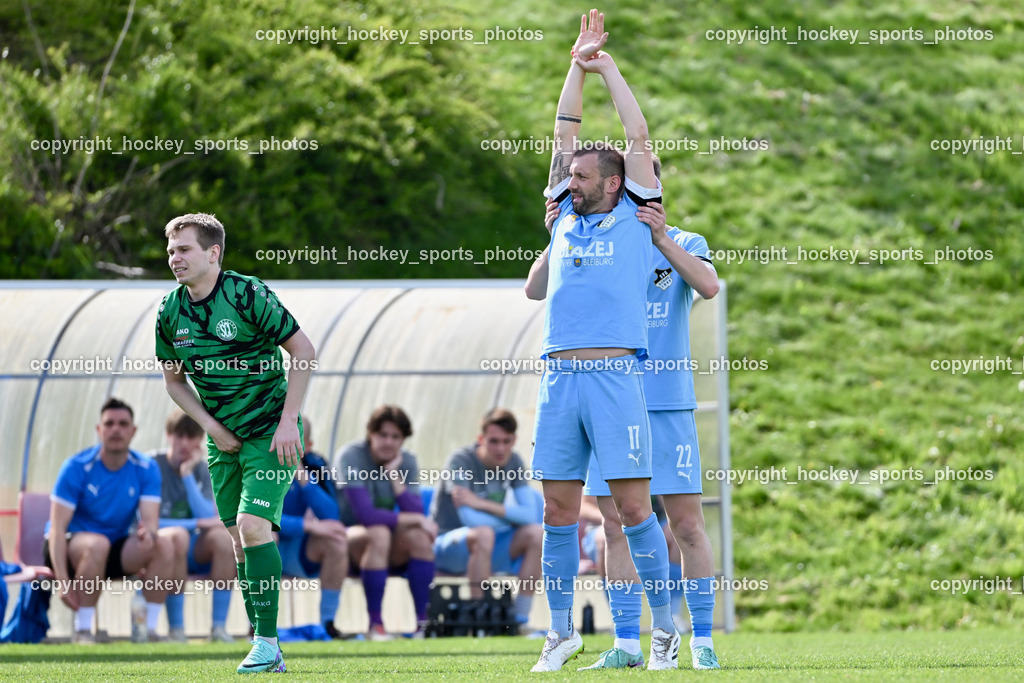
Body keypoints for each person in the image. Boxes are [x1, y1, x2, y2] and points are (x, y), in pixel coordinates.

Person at [523, 9, 679, 672]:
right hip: (560, 377)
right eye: (573, 174)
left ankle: (663, 628)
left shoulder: (636, 216)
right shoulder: (563, 217)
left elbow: (638, 132)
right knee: (558, 508)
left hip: (617, 377)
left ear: (614, 183)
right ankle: (559, 633)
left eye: (585, 175)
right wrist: (573, 65)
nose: (572, 178)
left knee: (635, 506)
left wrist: (607, 67)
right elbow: (563, 133)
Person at [533, 157, 722, 670]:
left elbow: (707, 286)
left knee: (685, 523)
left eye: (651, 176)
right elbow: (541, 289)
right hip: (609, 397)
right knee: (615, 524)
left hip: (665, 399)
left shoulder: (679, 240)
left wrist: (663, 240)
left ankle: (700, 639)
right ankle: (626, 643)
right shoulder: (594, 238)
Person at [157, 212, 316, 673]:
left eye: (184, 249)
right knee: (240, 543)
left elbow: (303, 351)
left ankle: (266, 642)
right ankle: (267, 648)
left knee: (252, 526)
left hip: (271, 430)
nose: (175, 258)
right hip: (223, 441)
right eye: (171, 250)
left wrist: (290, 422)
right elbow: (174, 382)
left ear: (213, 253)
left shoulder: (247, 293)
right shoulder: (170, 311)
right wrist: (211, 426)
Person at [44, 398, 174, 644]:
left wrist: (149, 535)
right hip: (66, 548)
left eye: (123, 423)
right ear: (99, 429)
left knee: (164, 544)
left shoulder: (146, 468)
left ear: (133, 431)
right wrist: (63, 582)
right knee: (97, 544)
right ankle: (83, 631)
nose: (116, 429)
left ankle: (150, 631)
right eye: (109, 423)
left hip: (112, 549)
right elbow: (57, 530)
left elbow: (151, 523)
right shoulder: (76, 467)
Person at [431, 408, 543, 630]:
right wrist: (512, 517)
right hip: (446, 547)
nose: (501, 448)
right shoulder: (460, 460)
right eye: (494, 441)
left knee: (536, 533)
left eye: (506, 441)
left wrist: (481, 503)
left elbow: (530, 515)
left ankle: (520, 619)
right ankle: (479, 617)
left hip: (489, 546)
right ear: (480, 439)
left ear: (514, 440)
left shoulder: (514, 462)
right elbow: (471, 520)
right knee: (484, 533)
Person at [332, 405, 436, 640]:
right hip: (343, 542)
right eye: (383, 435)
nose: (388, 442)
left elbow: (416, 510)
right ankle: (375, 625)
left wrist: (394, 475)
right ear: (370, 434)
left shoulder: (406, 461)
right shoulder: (350, 456)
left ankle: (424, 625)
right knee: (378, 532)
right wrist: (416, 519)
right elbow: (365, 516)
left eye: (396, 436)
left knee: (419, 537)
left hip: (385, 542)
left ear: (403, 439)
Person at [151, 410, 237, 643]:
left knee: (222, 538)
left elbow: (207, 514)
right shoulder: (151, 465)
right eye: (180, 436)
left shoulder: (204, 468)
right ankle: (177, 630)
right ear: (168, 436)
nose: (186, 443)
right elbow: (148, 522)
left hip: (193, 549)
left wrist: (188, 475)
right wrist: (196, 523)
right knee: (177, 537)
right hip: (160, 548)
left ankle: (218, 629)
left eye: (192, 437)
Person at [277, 416, 349, 639]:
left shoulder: (315, 465)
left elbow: (331, 516)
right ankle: (259, 624)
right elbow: (257, 518)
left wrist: (301, 475)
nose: (286, 443)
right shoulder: (258, 466)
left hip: (298, 551)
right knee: (265, 536)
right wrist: (307, 526)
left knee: (336, 541)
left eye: (295, 440)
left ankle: (328, 624)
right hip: (266, 546)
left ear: (307, 446)